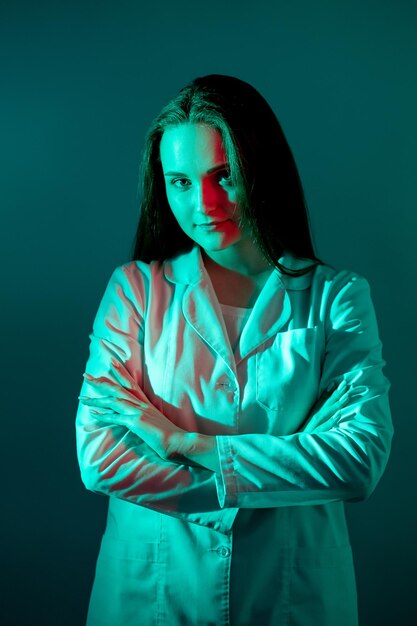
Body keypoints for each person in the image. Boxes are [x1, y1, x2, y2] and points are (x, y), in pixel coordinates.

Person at [76, 74, 393, 626]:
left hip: (292, 597)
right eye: (179, 181)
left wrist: (183, 443)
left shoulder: (336, 298)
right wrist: (279, 470)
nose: (203, 203)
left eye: (224, 176)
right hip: (150, 595)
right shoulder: (135, 291)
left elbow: (358, 459)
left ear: (260, 169)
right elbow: (101, 457)